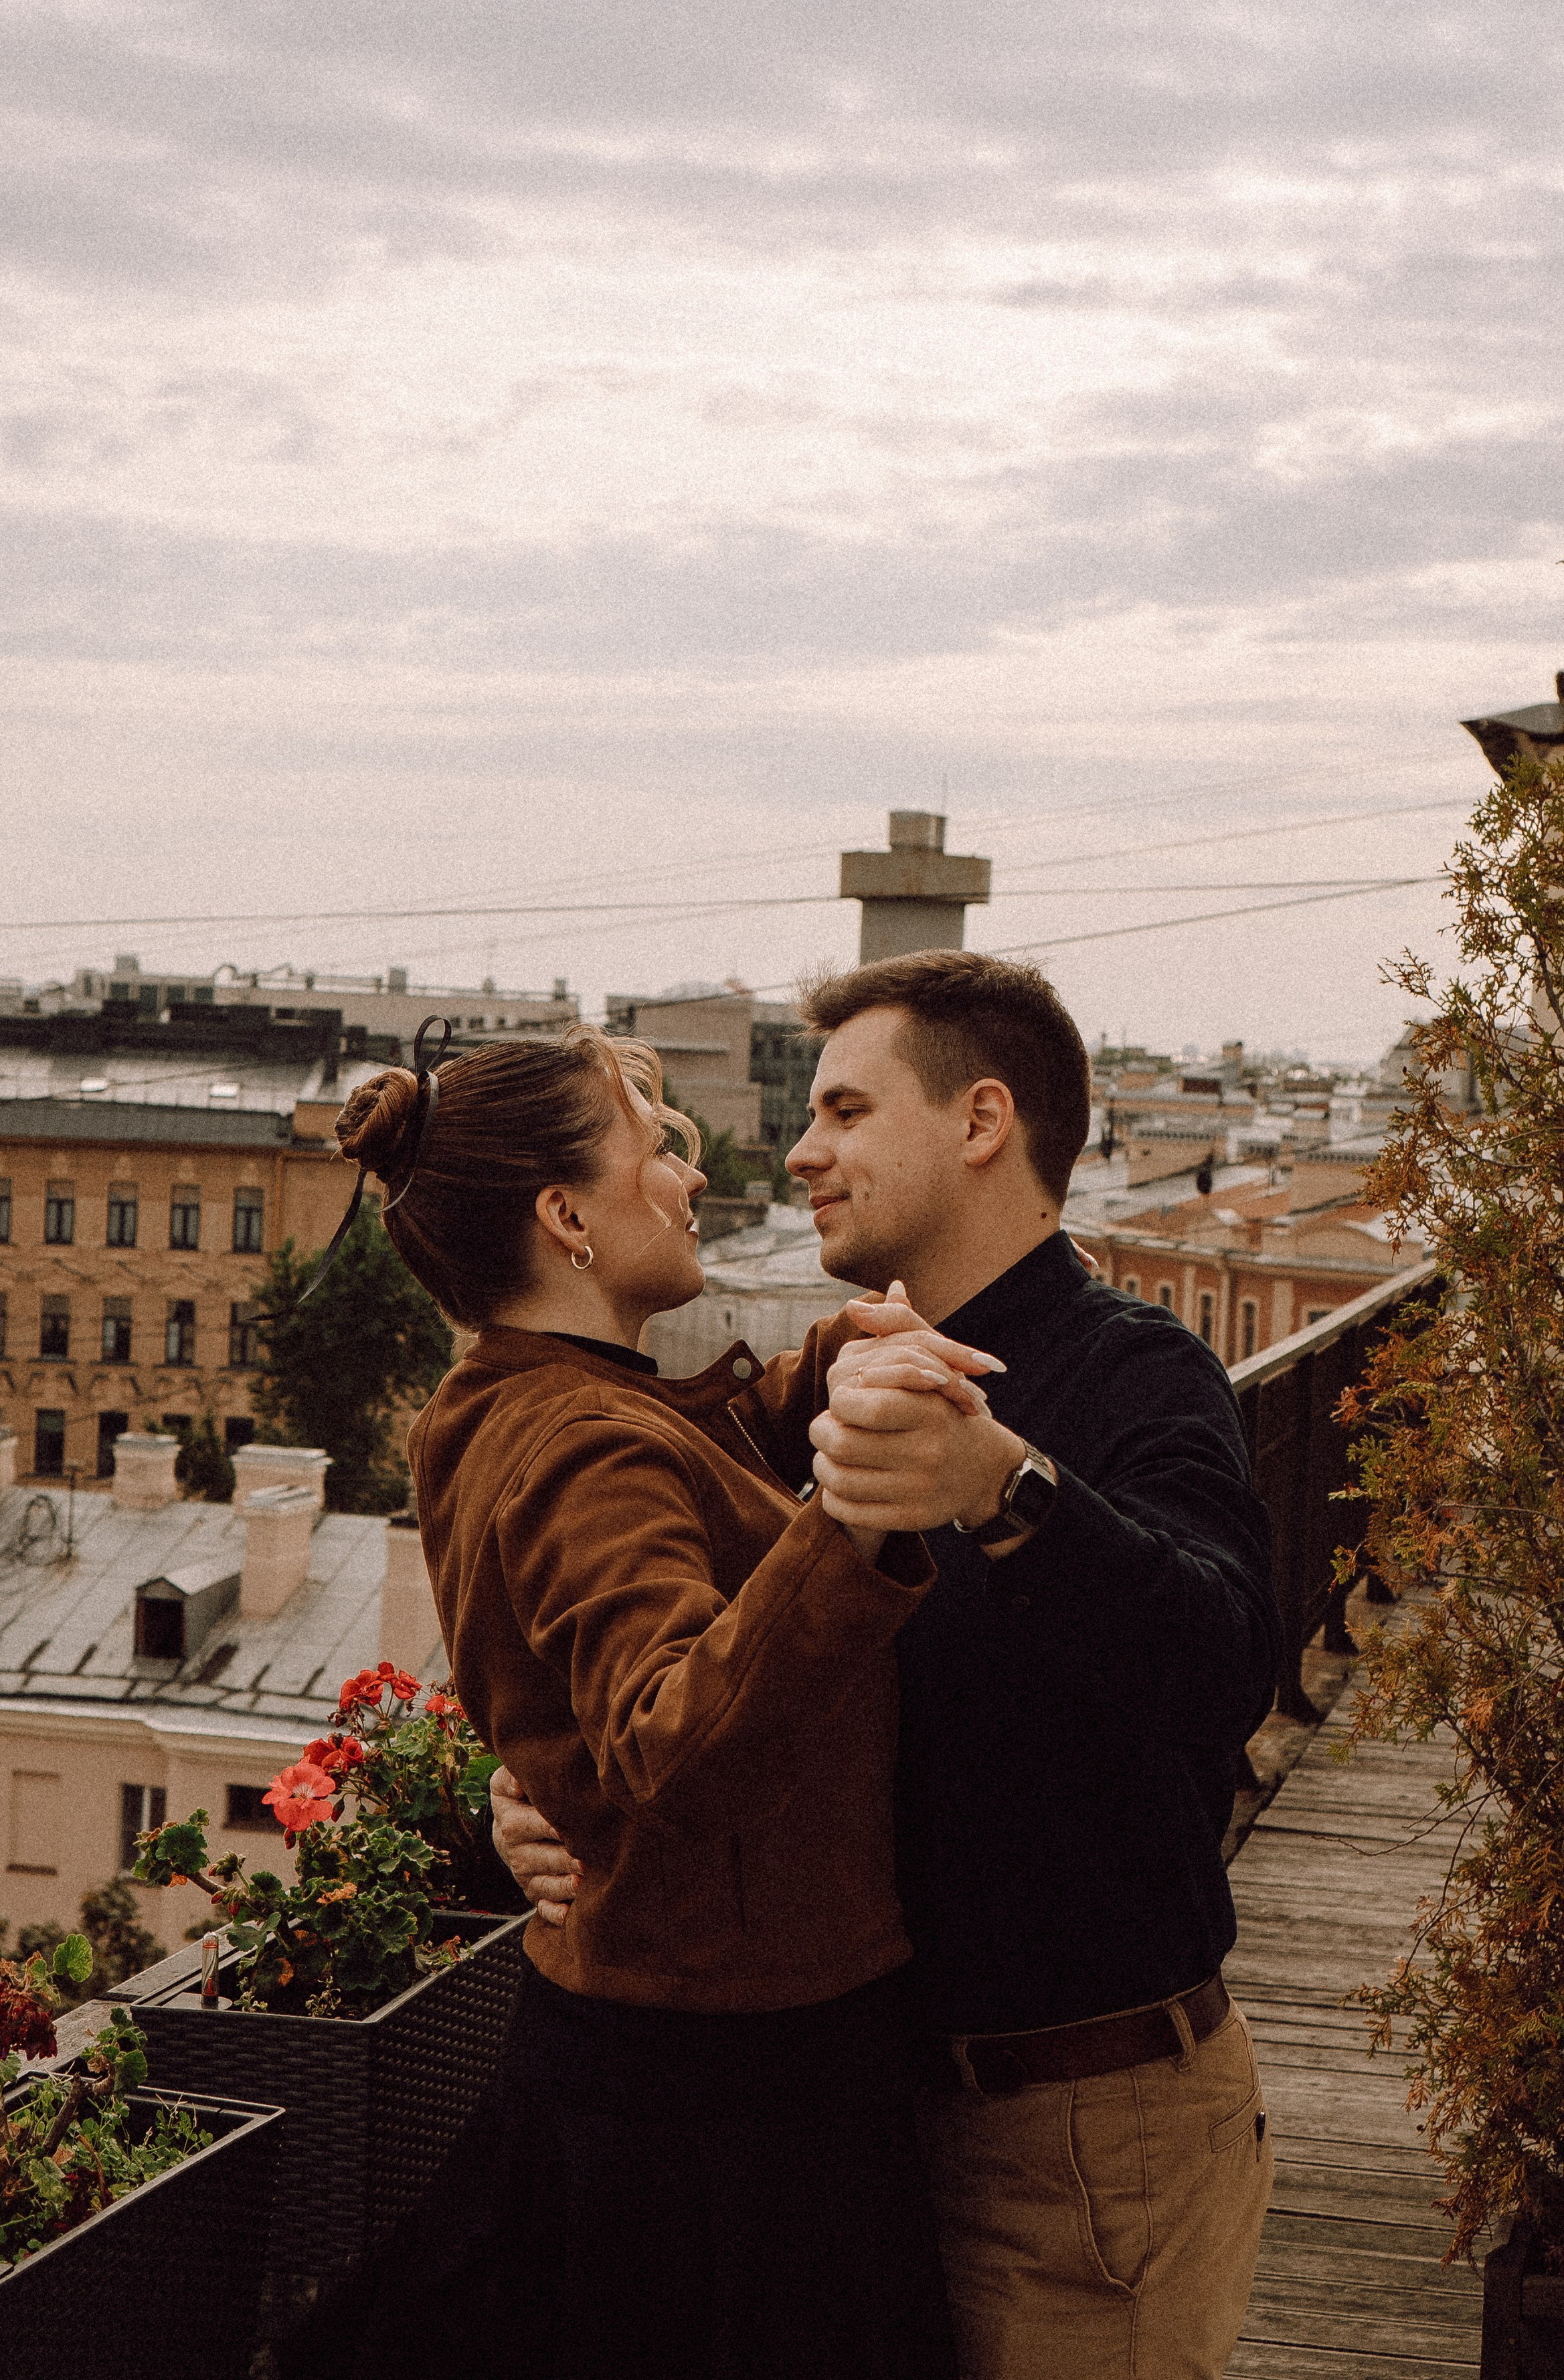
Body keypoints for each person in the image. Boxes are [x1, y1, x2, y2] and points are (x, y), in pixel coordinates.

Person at [494, 951, 1283, 2380]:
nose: (799, 1153)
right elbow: (711, 1692)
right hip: (836, 2125)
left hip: (1072, 2143)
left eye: (846, 1113)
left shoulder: (1131, 1375)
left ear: (979, 1123)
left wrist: (1007, 1487)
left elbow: (1222, 1665)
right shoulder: (829, 1386)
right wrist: (541, 1792)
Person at [331, 1023, 959, 2380]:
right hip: (733, 2118)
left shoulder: (519, 1399)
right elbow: (669, 1742)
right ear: (565, 1216)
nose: (686, 1179)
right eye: (655, 1150)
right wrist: (850, 1511)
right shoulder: (581, 1444)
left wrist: (823, 1372)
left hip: (648, 2070)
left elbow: (682, 1469)